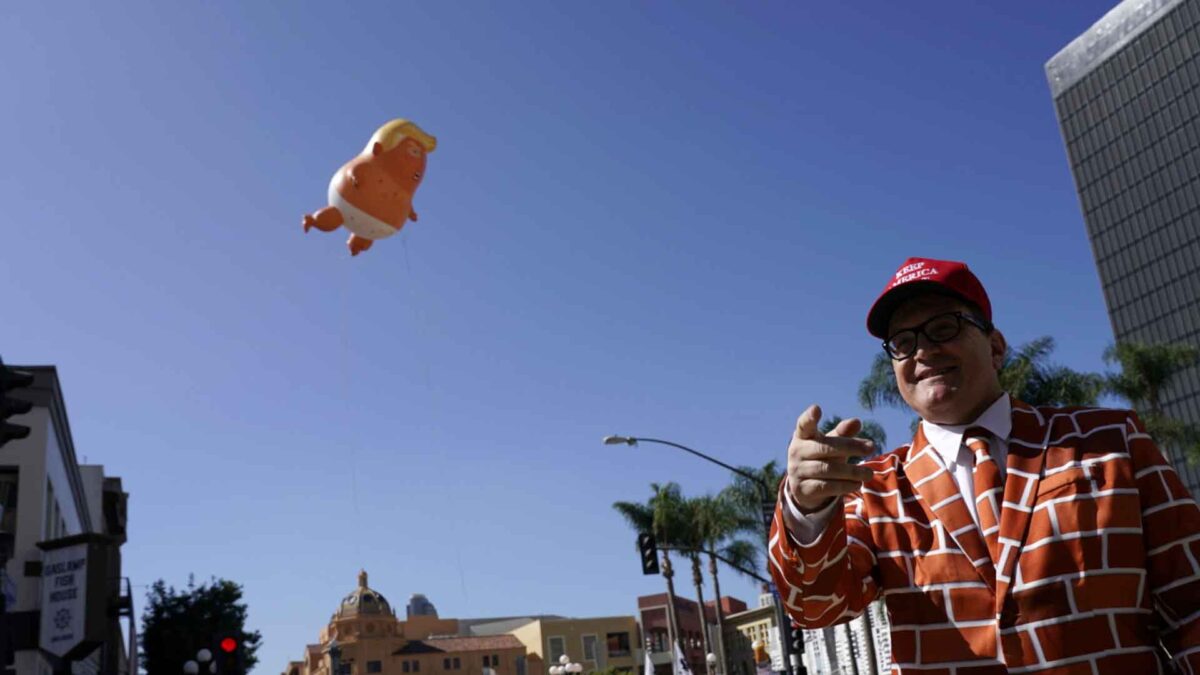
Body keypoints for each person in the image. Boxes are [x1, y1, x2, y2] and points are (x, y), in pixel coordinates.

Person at [769, 257, 1200, 674]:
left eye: (943, 328)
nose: (922, 352)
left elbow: (1191, 601)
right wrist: (806, 510)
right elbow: (816, 607)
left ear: (995, 348)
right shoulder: (874, 488)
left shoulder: (1109, 442)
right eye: (903, 344)